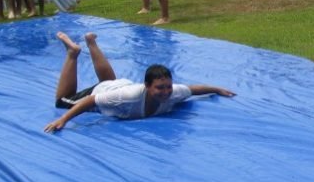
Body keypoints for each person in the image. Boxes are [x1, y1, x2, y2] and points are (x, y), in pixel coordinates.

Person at [44, 32, 235, 133]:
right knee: (62, 101)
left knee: (110, 83)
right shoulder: (130, 97)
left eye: (168, 87)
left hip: (118, 87)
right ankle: (73, 53)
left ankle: (91, 42)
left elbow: (193, 89)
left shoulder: (173, 92)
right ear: (147, 86)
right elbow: (91, 101)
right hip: (110, 91)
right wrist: (63, 119)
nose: (165, 92)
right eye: (160, 88)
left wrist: (217, 89)